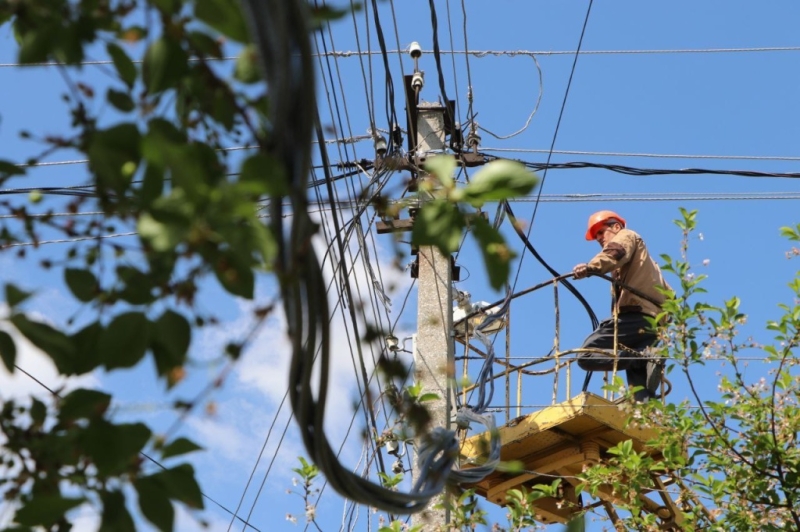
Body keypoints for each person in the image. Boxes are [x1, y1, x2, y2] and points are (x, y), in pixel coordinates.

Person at [572, 211, 672, 402]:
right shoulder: (647, 265)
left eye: (601, 232)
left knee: (585, 355)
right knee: (640, 390)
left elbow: (615, 253)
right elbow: (670, 296)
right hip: (654, 324)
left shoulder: (626, 236)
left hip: (635, 317)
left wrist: (590, 267)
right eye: (596, 237)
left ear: (616, 227)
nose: (599, 239)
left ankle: (644, 357)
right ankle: (644, 413)